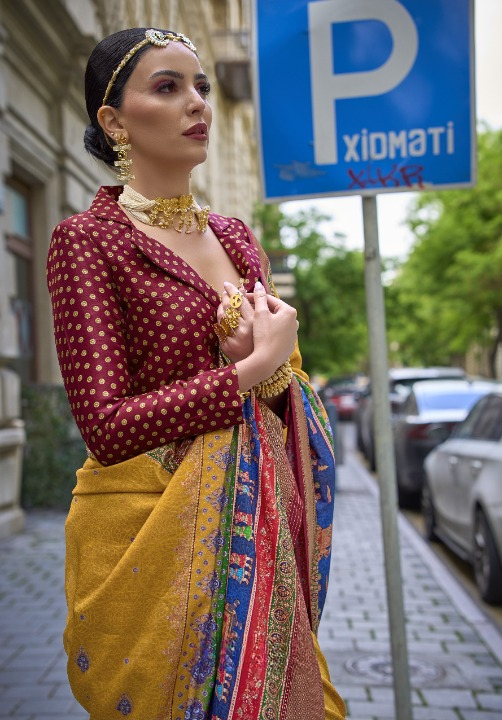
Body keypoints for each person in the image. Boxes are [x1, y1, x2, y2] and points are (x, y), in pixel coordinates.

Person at [46, 27, 346, 720]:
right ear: (114, 121)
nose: (197, 104)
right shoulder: (87, 241)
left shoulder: (238, 237)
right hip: (149, 543)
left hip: (258, 532)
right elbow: (105, 424)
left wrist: (276, 378)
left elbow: (281, 398)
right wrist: (249, 371)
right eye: (168, 87)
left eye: (202, 87)